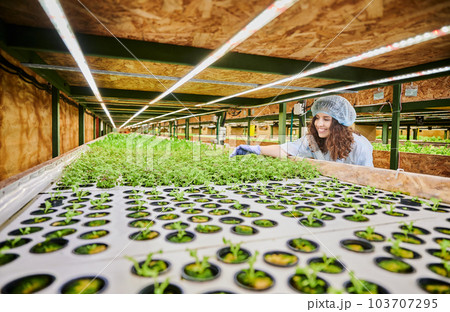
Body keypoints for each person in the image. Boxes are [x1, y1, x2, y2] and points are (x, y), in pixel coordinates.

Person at [230, 95, 373, 167]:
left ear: (339, 123)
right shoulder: (313, 140)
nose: (319, 124)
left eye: (326, 119)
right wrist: (256, 149)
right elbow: (285, 149)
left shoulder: (359, 146)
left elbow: (368, 177)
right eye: (317, 118)